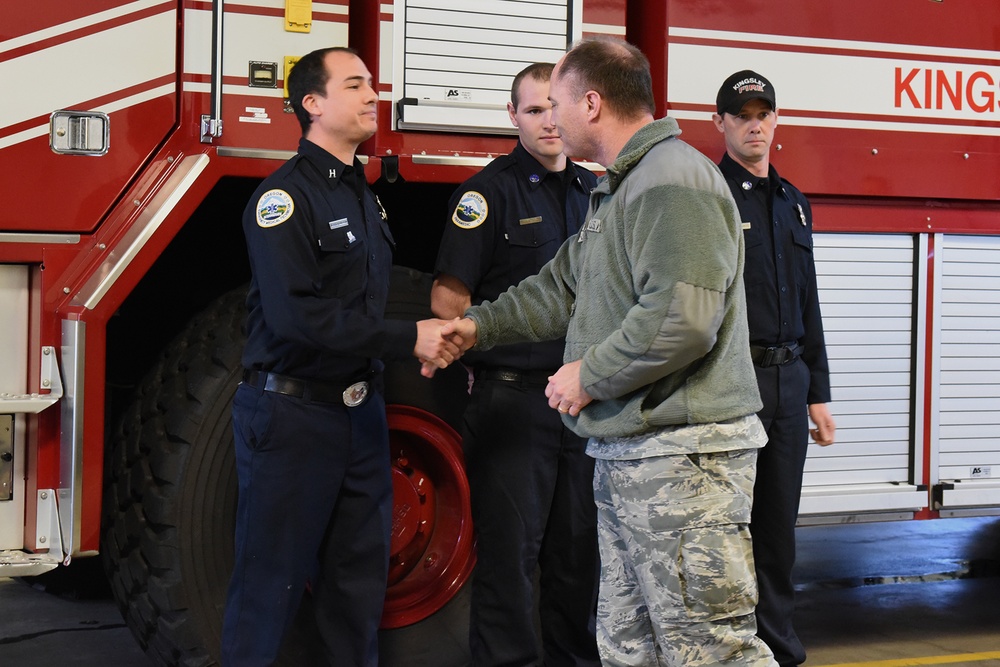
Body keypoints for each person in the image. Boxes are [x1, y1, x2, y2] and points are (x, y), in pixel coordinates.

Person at [430, 37, 777, 666]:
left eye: (556, 103)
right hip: (632, 454)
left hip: (685, 460)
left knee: (709, 650)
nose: (550, 118)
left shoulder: (672, 182)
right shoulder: (620, 187)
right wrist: (476, 327)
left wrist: (589, 374)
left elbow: (682, 319)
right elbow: (561, 287)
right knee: (630, 646)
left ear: (591, 103)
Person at [221, 46, 461, 667]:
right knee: (267, 589)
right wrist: (409, 338)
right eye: (355, 84)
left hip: (359, 417)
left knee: (356, 590)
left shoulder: (364, 195)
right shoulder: (282, 200)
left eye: (373, 84)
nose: (372, 94)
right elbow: (296, 317)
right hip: (292, 418)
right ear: (313, 104)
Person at [431, 62, 601, 667]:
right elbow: (448, 303)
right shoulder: (486, 195)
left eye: (556, 107)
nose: (549, 121)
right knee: (509, 566)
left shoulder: (594, 192)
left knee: (579, 561)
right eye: (534, 110)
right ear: (513, 118)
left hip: (583, 406)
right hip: (515, 403)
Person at [712, 70, 836, 667]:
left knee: (779, 528)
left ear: (777, 121)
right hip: (734, 383)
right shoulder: (709, 196)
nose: (755, 123)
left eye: (764, 113)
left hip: (789, 384)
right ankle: (732, 647)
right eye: (742, 115)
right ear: (721, 124)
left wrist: (819, 392)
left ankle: (778, 648)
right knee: (729, 524)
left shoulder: (794, 203)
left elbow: (809, 302)